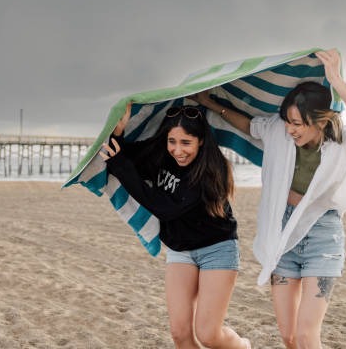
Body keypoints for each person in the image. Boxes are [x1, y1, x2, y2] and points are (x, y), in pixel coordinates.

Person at [190, 49, 346, 349]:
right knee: (290, 337)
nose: (290, 129)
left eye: (297, 123)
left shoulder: (343, 143)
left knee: (307, 336)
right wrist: (210, 103)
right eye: (287, 121)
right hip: (282, 236)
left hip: (323, 238)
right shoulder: (278, 132)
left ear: (320, 121)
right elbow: (248, 125)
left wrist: (336, 80)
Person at [99, 104, 251, 349]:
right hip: (180, 250)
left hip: (217, 249)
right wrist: (118, 132)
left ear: (201, 141)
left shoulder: (212, 171)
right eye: (172, 141)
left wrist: (121, 166)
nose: (178, 151)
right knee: (180, 334)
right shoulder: (161, 153)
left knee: (208, 335)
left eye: (186, 143)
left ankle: (242, 346)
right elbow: (123, 154)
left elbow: (164, 208)